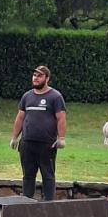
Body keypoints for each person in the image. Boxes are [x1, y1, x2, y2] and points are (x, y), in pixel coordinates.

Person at [9, 65, 67, 201]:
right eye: (34, 75)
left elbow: (61, 118)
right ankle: (26, 202)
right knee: (28, 175)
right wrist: (14, 137)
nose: (36, 78)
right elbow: (20, 117)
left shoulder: (55, 96)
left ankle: (48, 204)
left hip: (47, 144)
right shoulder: (27, 96)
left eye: (40, 75)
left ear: (47, 78)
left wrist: (62, 138)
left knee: (48, 175)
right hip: (27, 143)